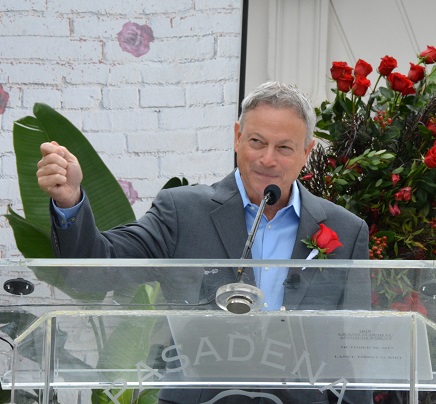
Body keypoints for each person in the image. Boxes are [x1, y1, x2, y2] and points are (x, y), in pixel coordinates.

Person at [37, 82, 372, 404]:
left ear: (306, 152)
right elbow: (93, 271)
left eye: (284, 147)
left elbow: (356, 352)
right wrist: (70, 202)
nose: (268, 159)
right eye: (257, 141)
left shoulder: (345, 230)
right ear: (237, 137)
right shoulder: (182, 213)